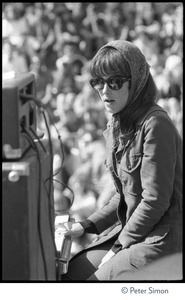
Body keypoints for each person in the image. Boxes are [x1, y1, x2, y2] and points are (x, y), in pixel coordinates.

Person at [60, 40, 182, 281]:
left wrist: (120, 245)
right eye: (98, 81)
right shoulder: (116, 123)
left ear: (135, 81)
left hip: (162, 238)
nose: (105, 91)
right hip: (134, 231)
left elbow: (155, 201)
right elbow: (125, 194)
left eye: (114, 82)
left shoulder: (156, 124)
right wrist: (87, 225)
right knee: (69, 274)